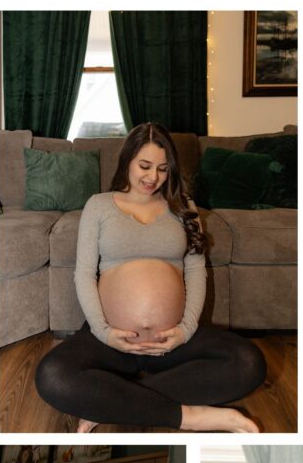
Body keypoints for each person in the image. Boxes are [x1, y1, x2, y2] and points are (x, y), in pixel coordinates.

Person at [34, 122, 267, 433]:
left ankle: (110, 403)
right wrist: (104, 333)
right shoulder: (99, 205)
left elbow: (196, 271)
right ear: (127, 160)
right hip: (113, 341)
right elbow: (85, 273)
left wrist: (185, 330)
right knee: (51, 375)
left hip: (173, 342)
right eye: (144, 166)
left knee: (249, 362)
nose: (152, 177)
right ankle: (194, 417)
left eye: (162, 169)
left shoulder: (184, 207)